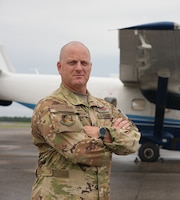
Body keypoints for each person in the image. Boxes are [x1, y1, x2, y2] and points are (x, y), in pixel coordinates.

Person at [31, 41, 141, 200]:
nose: (78, 68)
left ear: (90, 67)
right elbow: (82, 152)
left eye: (84, 63)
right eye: (72, 62)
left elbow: (134, 142)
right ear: (59, 67)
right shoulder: (50, 107)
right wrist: (116, 139)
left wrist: (102, 133)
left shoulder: (103, 107)